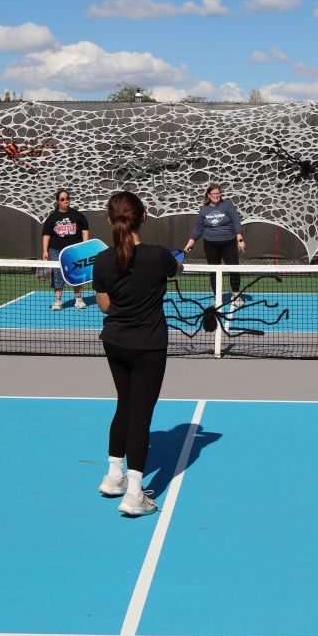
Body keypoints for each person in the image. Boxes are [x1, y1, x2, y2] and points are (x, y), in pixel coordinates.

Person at [92, 191, 181, 517]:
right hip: (148, 346)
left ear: (109, 220)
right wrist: (177, 261)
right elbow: (176, 269)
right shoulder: (159, 256)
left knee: (125, 405)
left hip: (115, 343)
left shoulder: (102, 261)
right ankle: (134, 494)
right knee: (141, 415)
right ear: (143, 216)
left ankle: (113, 476)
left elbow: (105, 306)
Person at [182, 184, 246, 307]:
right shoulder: (203, 209)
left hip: (228, 243)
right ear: (208, 195)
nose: (217, 196)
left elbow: (236, 221)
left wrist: (240, 239)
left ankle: (236, 294)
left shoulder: (227, 204)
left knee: (234, 269)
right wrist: (190, 243)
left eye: (218, 193)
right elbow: (198, 228)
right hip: (211, 244)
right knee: (214, 271)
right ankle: (218, 298)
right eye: (214, 194)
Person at [41, 188, 90, 310]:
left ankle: (78, 299)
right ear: (58, 201)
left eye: (67, 198)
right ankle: (58, 301)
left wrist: (85, 247)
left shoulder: (78, 215)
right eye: (62, 199)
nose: (65, 201)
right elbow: (46, 235)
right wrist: (45, 251)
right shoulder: (52, 217)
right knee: (57, 274)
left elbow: (85, 232)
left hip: (74, 250)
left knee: (76, 273)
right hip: (55, 250)